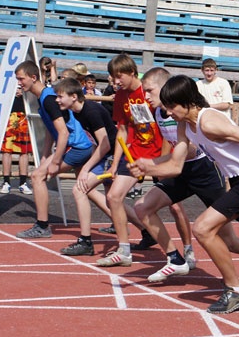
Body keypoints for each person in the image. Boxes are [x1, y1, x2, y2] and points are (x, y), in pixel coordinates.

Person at [130, 75, 239, 314]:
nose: (168, 113)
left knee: (202, 228)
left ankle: (236, 290)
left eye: (172, 107)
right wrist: (148, 165)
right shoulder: (184, 124)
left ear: (187, 102)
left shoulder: (209, 122)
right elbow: (176, 166)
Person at [95, 54, 165, 267]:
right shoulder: (119, 97)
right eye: (112, 78)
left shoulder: (149, 91)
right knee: (114, 196)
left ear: (132, 72)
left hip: (160, 154)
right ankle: (124, 249)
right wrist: (115, 163)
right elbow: (123, 131)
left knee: (176, 207)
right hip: (134, 153)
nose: (115, 82)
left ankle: (186, 251)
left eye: (119, 77)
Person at [14, 61, 95, 239]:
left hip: (76, 146)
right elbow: (52, 132)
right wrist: (45, 157)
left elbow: (63, 133)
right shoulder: (45, 99)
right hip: (79, 145)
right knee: (89, 190)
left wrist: (55, 161)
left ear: (33, 77)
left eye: (21, 78)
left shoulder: (49, 99)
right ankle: (135, 224)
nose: (19, 82)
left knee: (37, 176)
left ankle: (42, 226)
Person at [54, 77, 118, 256]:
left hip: (113, 156)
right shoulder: (78, 112)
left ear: (74, 96)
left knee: (80, 189)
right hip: (106, 154)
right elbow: (98, 143)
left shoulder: (90, 111)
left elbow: (105, 143)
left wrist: (85, 167)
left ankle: (85, 241)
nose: (57, 100)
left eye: (60, 96)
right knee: (113, 199)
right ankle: (146, 231)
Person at [0, 73, 32, 196]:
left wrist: (25, 92)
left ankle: (23, 182)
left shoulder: (27, 73)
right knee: (7, 151)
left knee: (24, 151)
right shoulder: (8, 73)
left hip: (24, 115)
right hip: (9, 115)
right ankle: (6, 182)